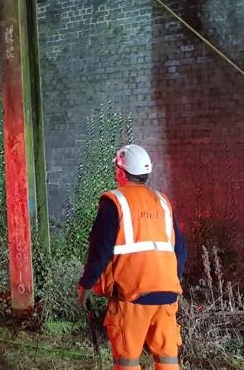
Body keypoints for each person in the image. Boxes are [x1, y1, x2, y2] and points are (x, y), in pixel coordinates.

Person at [79, 144, 187, 370]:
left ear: (121, 171)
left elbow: (100, 249)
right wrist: (168, 280)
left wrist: (87, 285)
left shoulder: (114, 201)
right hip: (167, 295)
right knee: (168, 359)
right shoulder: (163, 203)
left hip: (131, 296)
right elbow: (181, 250)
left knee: (127, 361)